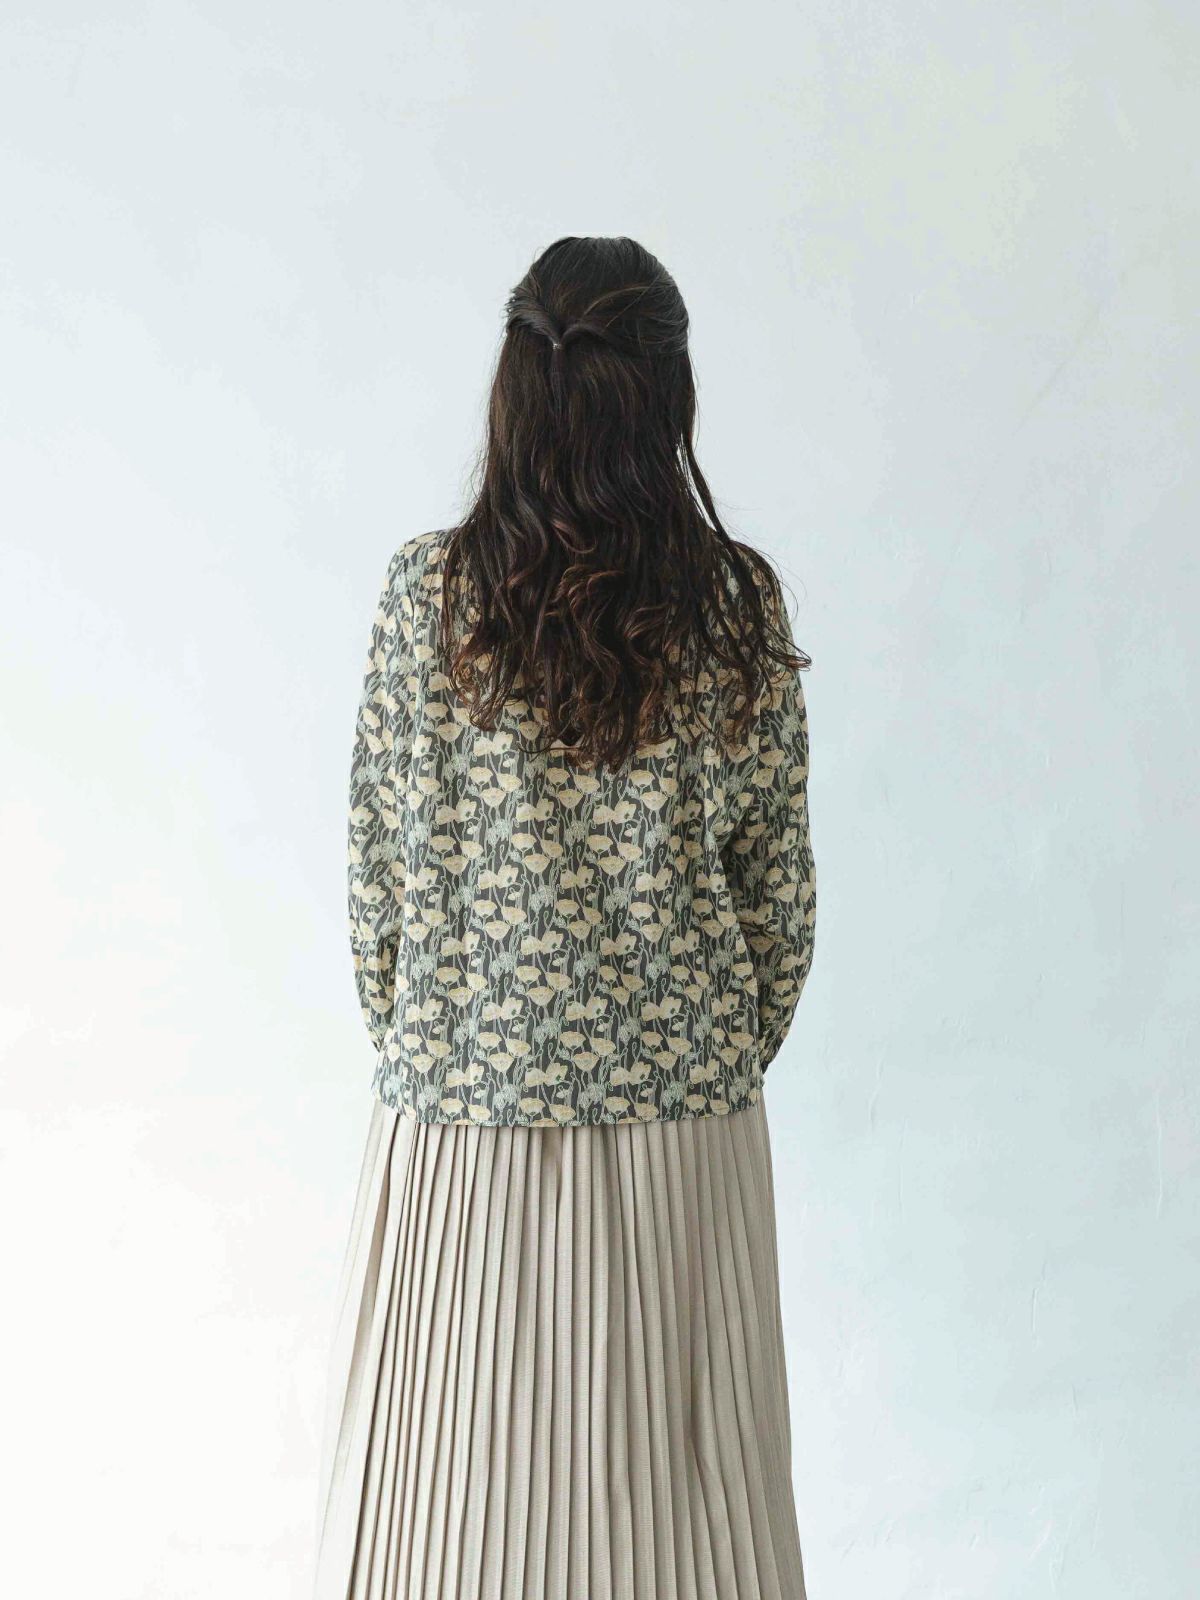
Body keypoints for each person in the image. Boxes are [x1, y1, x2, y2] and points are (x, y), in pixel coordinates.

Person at [312, 235, 817, 1600]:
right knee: (691, 1530)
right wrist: (687, 1054)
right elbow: (775, 910)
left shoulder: (427, 599)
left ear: (514, 392)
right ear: (669, 398)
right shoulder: (734, 611)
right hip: (684, 1139)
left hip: (460, 1129)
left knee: (444, 1525)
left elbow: (378, 889)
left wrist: (453, 1039)